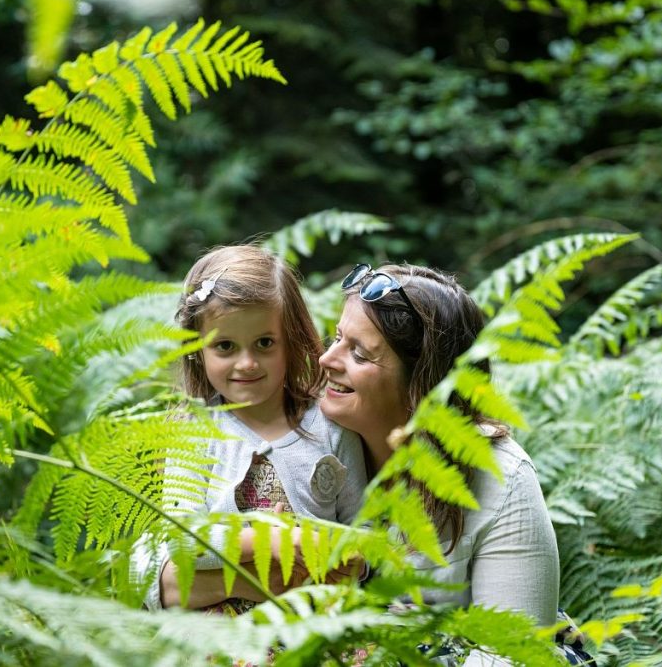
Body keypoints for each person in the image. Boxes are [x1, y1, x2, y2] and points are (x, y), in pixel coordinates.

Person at [318, 263, 562, 660]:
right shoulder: (303, 440)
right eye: (337, 337)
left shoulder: (502, 479)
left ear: (422, 387)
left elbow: (515, 656)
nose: (327, 358)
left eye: (359, 354)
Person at [140, 245, 369, 613]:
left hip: (315, 629)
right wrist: (270, 543)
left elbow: (364, 531)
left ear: (291, 341)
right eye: (225, 346)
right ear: (197, 351)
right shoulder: (194, 434)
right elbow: (183, 544)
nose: (246, 363)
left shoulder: (331, 429)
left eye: (264, 343)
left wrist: (348, 559)